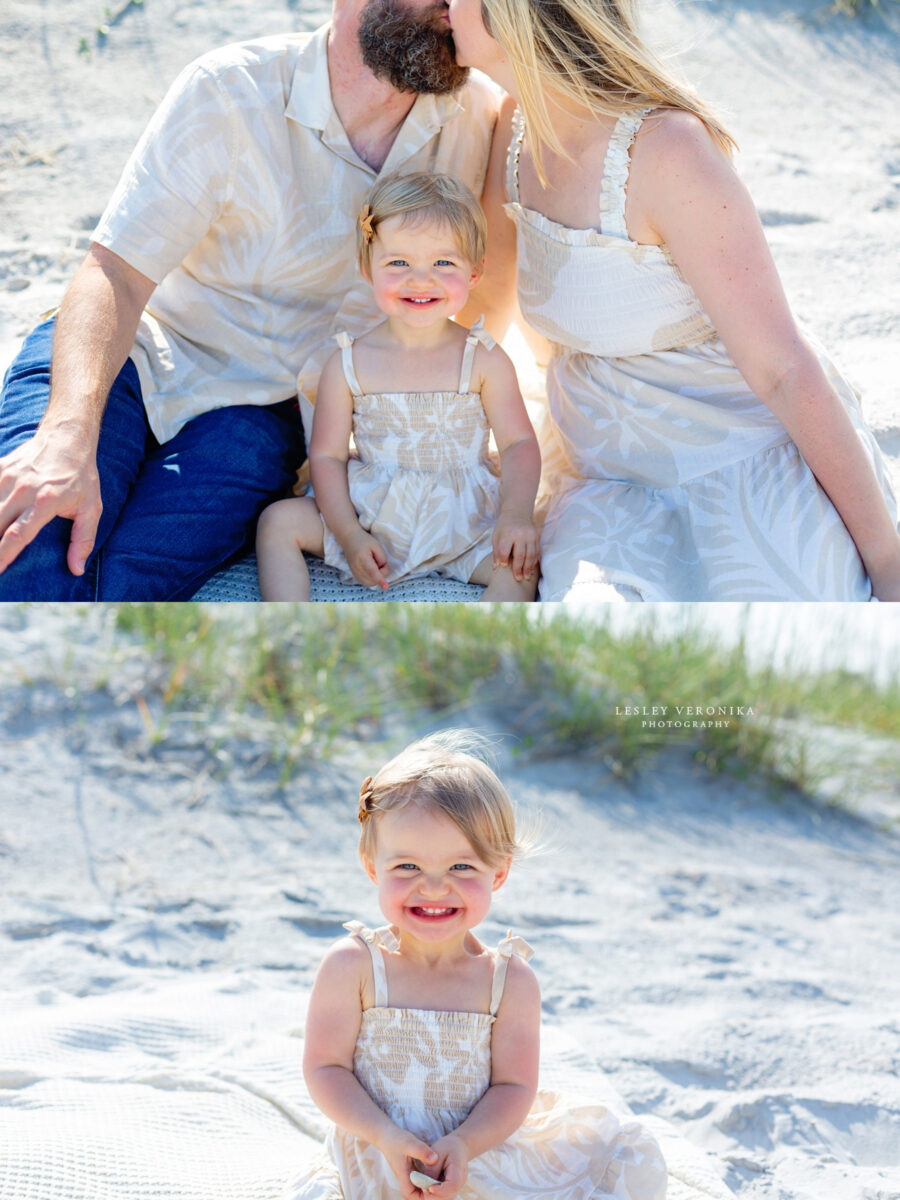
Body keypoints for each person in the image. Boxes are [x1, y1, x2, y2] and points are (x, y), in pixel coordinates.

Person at [0, 0, 500, 600]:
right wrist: (68, 433)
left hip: (259, 409)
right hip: (135, 352)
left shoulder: (481, 122)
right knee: (26, 550)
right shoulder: (230, 89)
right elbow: (115, 271)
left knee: (123, 583)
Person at [447, 0, 900, 602]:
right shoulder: (516, 126)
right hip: (603, 471)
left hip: (732, 447)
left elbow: (782, 368)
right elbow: (490, 299)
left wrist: (889, 561)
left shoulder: (667, 150)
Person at [287, 732, 667, 1200]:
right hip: (374, 1148)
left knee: (621, 1157)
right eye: (407, 867)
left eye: (461, 868)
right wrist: (385, 1135)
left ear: (499, 872)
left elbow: (512, 1086)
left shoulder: (508, 981)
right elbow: (326, 1068)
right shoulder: (354, 966)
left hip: (475, 1152)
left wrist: (464, 1144)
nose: (432, 888)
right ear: (372, 867)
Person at [255, 173, 540, 601]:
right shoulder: (348, 363)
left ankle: (482, 656)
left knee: (521, 565)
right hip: (373, 517)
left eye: (444, 263)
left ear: (475, 272)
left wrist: (515, 515)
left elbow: (518, 443)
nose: (420, 279)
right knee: (277, 522)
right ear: (367, 267)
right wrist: (349, 535)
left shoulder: (482, 358)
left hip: (462, 522)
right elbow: (328, 457)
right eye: (398, 263)